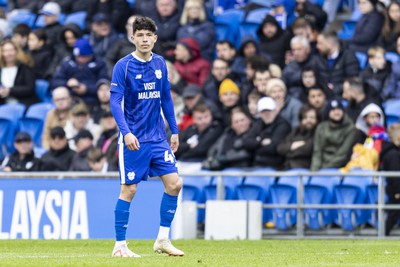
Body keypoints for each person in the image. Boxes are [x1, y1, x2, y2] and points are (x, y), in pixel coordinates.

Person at [109, 16, 184, 257]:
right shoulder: (123, 66)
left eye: (148, 35)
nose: (144, 39)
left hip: (158, 138)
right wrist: (126, 132)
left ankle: (162, 239)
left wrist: (174, 130)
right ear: (132, 38)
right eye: (139, 35)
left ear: (155, 38)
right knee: (129, 190)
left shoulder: (161, 63)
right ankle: (120, 246)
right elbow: (114, 102)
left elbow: (166, 99)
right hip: (135, 139)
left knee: (175, 184)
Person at [52, 38, 109, 107]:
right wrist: (67, 83)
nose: (81, 59)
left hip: (93, 99)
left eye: (84, 56)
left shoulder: (99, 64)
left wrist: (87, 89)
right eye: (79, 56)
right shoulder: (67, 64)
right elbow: (55, 81)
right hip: (71, 98)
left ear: (90, 55)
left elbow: (104, 82)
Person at [242, 97, 291, 169]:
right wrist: (261, 142)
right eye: (263, 112)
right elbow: (246, 142)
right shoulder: (258, 123)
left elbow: (274, 148)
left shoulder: (283, 125)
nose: (266, 114)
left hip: (276, 166)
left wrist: (257, 141)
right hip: (257, 165)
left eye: (269, 111)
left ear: (274, 111)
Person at [311, 98, 356, 170]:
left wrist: (324, 170)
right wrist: (314, 172)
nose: (336, 112)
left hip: (341, 167)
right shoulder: (321, 127)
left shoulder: (351, 128)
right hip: (321, 166)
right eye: (333, 110)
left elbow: (343, 154)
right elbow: (317, 152)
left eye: (339, 109)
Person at [277, 105, 321, 169]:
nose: (308, 120)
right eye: (305, 117)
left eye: (312, 117)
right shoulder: (296, 131)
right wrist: (292, 146)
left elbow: (307, 150)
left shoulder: (317, 132)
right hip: (287, 167)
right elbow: (280, 148)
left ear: (317, 119)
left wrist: (288, 151)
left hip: (304, 168)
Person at [0, 39, 37, 108]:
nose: (8, 54)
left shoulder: (25, 67)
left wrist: (9, 90)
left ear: (16, 51)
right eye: (5, 51)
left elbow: (30, 88)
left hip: (23, 103)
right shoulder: (1, 69)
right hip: (3, 104)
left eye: (11, 50)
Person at [380, 123, 400, 236]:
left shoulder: (392, 152)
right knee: (393, 214)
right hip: (395, 191)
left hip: (395, 190)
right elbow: (395, 175)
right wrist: (398, 191)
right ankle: (382, 235)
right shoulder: (393, 154)